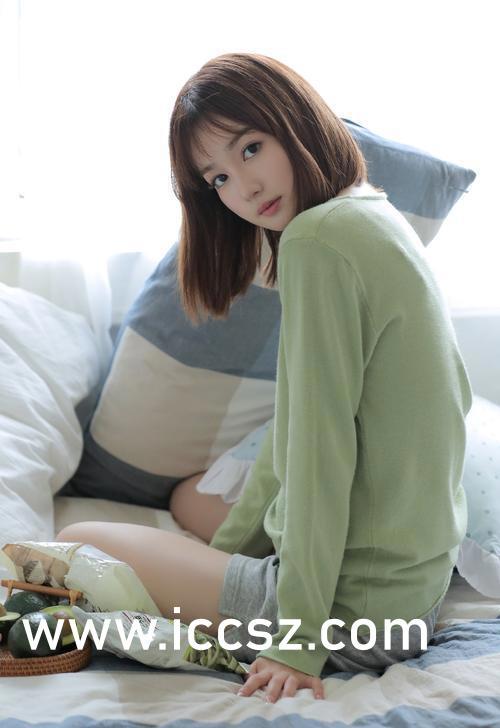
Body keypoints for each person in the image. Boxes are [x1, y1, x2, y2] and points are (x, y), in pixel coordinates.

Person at [56, 53, 473, 703]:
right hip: (410, 593)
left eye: (251, 148)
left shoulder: (317, 240)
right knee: (191, 498)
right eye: (219, 177)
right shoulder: (372, 213)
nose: (244, 189)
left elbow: (318, 453)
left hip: (354, 617)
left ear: (296, 120)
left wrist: (297, 640)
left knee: (74, 542)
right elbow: (291, 432)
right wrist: (224, 561)